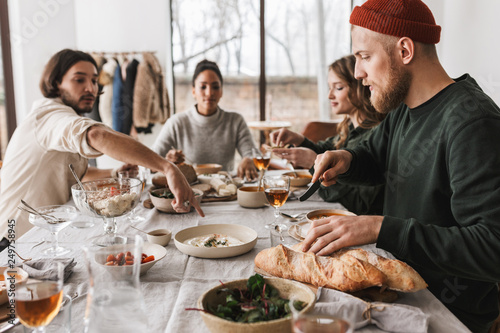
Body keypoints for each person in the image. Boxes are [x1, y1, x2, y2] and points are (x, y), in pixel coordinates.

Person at [302, 1, 500, 332]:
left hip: (445, 312)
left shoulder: (472, 121)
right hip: (392, 292)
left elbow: (492, 246)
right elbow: (375, 156)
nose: (357, 73)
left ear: (404, 50)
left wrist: (382, 228)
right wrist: (347, 160)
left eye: (364, 56)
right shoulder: (404, 108)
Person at [0, 49, 204, 245]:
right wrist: (168, 168)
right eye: (79, 80)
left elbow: (77, 176)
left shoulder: (67, 117)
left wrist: (114, 172)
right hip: (12, 242)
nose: (91, 88)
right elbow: (97, 135)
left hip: (41, 236)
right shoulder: (49, 116)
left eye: (95, 80)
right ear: (56, 82)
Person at [270, 55, 385, 215]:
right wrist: (299, 140)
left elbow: (356, 202)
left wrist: (312, 162)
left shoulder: (377, 137)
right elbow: (325, 149)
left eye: (338, 88)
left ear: (361, 87)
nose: (329, 95)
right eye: (329, 87)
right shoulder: (350, 128)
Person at [152, 60, 258, 180]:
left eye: (215, 87)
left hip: (226, 191)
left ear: (221, 91)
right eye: (203, 87)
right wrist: (166, 161)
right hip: (187, 191)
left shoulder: (235, 121)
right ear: (193, 91)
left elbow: (255, 155)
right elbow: (150, 162)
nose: (209, 93)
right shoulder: (176, 123)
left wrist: (249, 159)